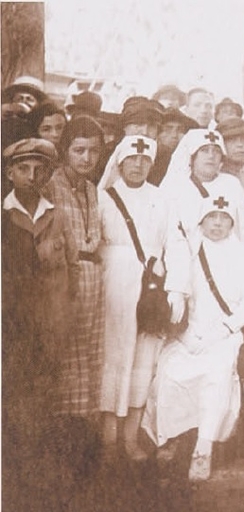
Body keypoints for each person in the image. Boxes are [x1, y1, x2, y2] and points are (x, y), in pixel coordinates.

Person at [144, 194, 244, 482]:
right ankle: (169, 439)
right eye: (212, 217)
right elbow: (180, 296)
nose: (218, 223)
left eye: (224, 218)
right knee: (168, 371)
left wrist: (224, 329)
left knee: (218, 373)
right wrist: (187, 334)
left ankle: (203, 448)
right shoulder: (188, 255)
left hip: (225, 334)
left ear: (233, 223)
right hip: (188, 333)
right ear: (202, 221)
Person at [96, 135, 189, 461]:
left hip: (150, 286)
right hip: (111, 286)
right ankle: (108, 439)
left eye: (145, 159)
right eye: (131, 159)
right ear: (119, 162)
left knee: (143, 358)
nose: (137, 165)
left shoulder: (162, 199)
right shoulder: (102, 197)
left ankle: (131, 438)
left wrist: (177, 289)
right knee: (112, 357)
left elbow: (176, 245)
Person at [1, 137, 80, 511]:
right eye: (23, 169)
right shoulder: (3, 216)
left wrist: (61, 315)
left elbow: (73, 271)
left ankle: (39, 479)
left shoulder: (57, 215)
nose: (31, 177)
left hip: (48, 326)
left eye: (39, 170)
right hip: (12, 328)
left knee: (44, 400)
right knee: (12, 401)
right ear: (10, 173)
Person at [39, 117, 106, 420]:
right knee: (68, 353)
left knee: (91, 354)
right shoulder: (50, 187)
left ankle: (85, 430)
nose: (86, 158)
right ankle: (63, 429)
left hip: (94, 281)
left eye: (93, 151)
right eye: (79, 150)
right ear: (65, 150)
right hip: (65, 278)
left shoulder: (92, 188)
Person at [160, 128, 244, 265]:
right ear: (192, 156)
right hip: (182, 261)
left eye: (216, 151)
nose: (211, 156)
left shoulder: (231, 184)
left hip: (226, 261)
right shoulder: (174, 187)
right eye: (204, 150)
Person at [150, 106, 200, 186]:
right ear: (158, 133)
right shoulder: (149, 160)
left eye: (180, 130)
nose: (174, 135)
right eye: (168, 129)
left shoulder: (191, 161)